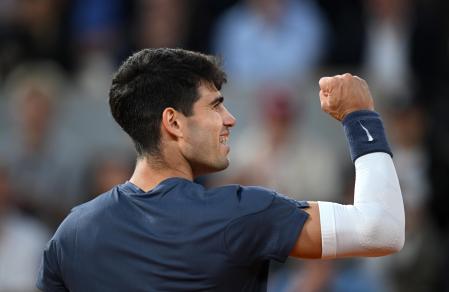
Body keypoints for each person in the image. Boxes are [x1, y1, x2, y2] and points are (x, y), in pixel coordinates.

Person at [37, 48, 405, 291]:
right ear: (174, 123)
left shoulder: (72, 234)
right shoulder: (240, 213)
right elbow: (381, 229)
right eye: (215, 106)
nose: (230, 119)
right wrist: (360, 117)